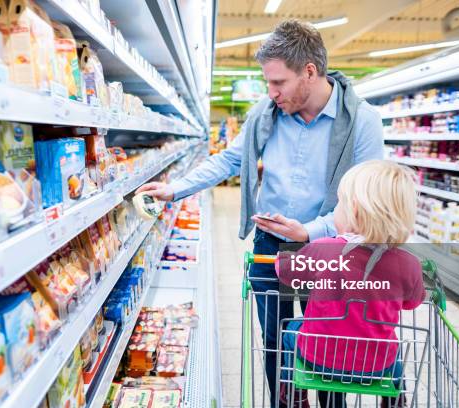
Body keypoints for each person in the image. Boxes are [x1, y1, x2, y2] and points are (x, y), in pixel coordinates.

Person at [137, 20, 384, 406]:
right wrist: (174, 189)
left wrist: (309, 231)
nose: (271, 93)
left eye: (278, 83)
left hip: (333, 250)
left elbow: (370, 199)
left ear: (309, 71)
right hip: (271, 249)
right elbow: (229, 160)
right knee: (276, 344)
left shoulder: (363, 121)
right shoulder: (265, 114)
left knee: (328, 340)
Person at [275, 160, 426, 408]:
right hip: (377, 364)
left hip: (320, 358)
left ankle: (293, 395)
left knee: (291, 329)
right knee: (392, 345)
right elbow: (412, 302)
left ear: (353, 209)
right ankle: (395, 399)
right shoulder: (408, 262)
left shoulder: (325, 250)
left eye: (339, 204)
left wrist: (281, 258)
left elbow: (287, 274)